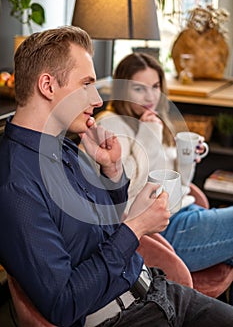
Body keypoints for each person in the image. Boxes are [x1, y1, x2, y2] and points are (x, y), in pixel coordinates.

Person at [0, 26, 233, 327]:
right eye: (86, 84)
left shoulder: (65, 146)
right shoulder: (15, 184)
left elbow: (104, 222)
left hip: (159, 292)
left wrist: (113, 173)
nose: (97, 99)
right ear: (47, 85)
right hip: (126, 318)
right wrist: (135, 229)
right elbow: (64, 303)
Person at [96, 52, 233, 273]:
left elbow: (181, 186)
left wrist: (187, 160)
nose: (150, 96)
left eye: (155, 86)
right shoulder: (112, 124)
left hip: (182, 213)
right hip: (159, 233)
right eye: (139, 88)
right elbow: (127, 190)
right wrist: (149, 135)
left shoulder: (155, 120)